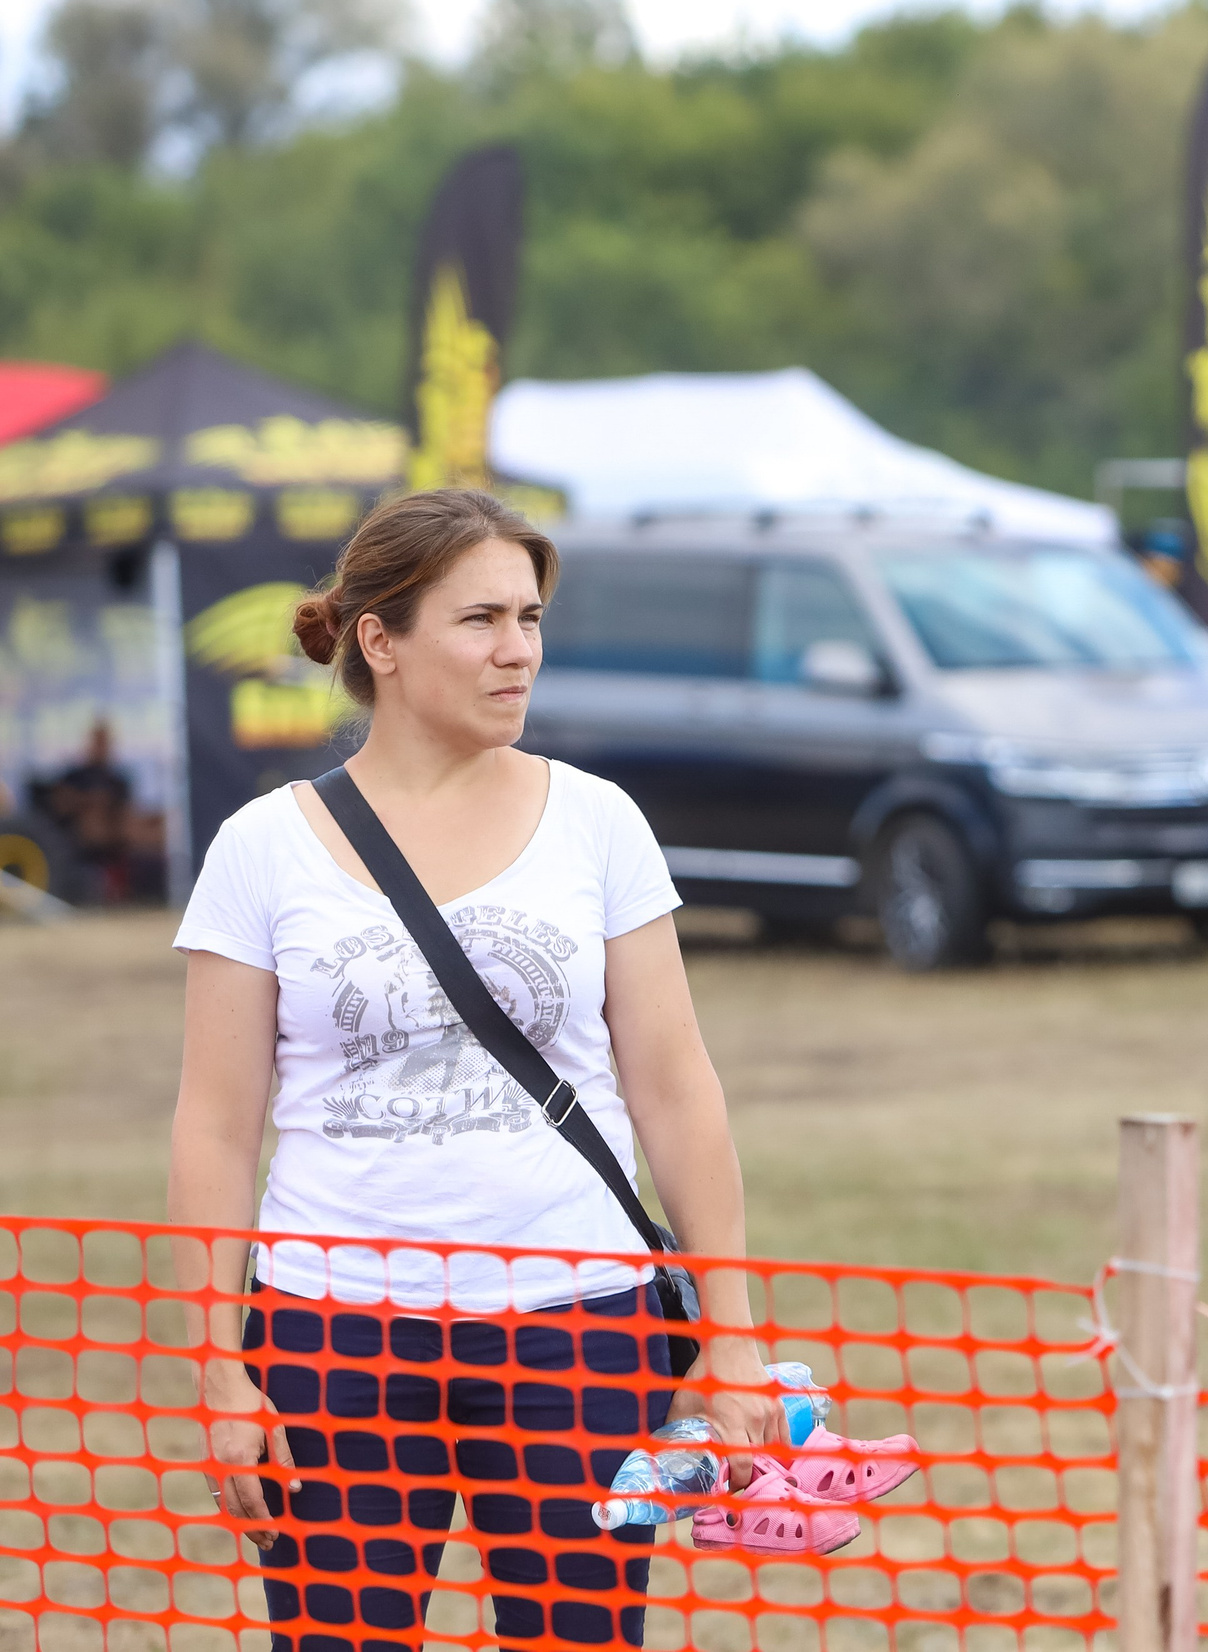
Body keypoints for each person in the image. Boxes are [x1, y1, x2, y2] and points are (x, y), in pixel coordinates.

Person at [167, 488, 785, 1651]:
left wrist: (733, 1331)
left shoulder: (598, 822)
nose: (519, 652)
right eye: (481, 620)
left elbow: (674, 1085)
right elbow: (213, 1126)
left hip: (578, 1329)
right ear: (381, 641)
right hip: (332, 1333)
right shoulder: (262, 847)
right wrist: (220, 1372)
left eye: (531, 618)